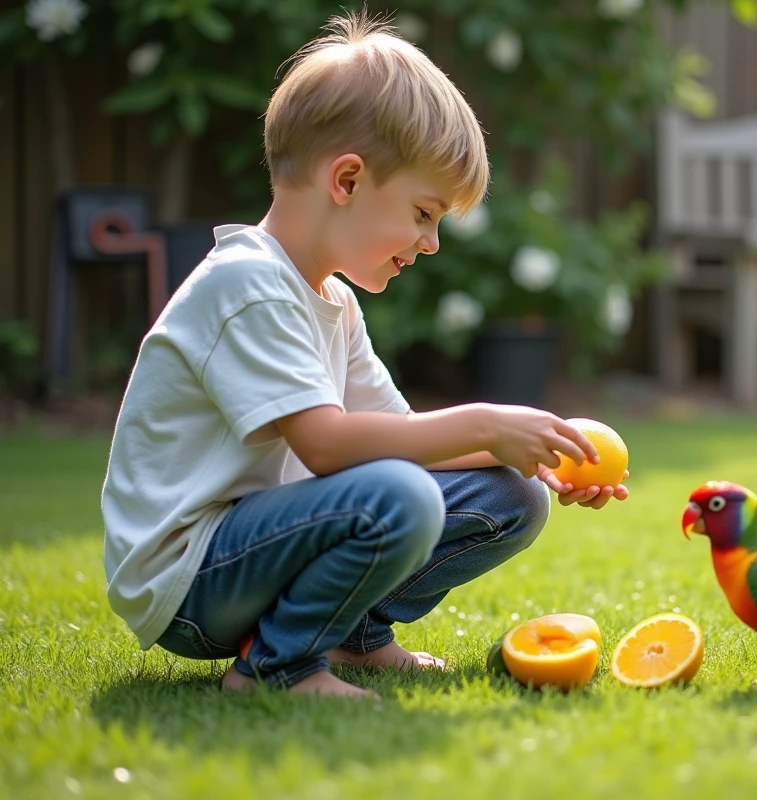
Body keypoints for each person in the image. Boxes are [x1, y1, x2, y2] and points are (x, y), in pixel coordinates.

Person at [100, 11, 628, 700]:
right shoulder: (248, 284)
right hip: (190, 580)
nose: (432, 241)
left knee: (513, 495)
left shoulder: (332, 303)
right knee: (399, 496)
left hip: (261, 550)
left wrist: (536, 449)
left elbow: (400, 441)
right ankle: (274, 669)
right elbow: (328, 446)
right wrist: (485, 423)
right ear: (346, 181)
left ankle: (355, 636)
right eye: (423, 213)